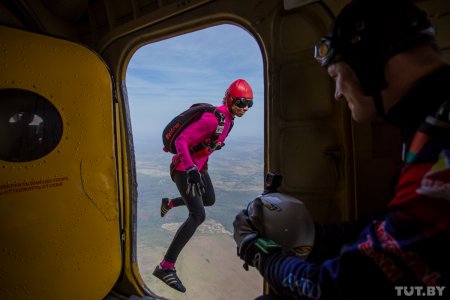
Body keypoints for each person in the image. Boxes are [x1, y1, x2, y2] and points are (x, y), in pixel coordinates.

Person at [233, 0, 450, 299]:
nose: (337, 94)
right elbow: (387, 228)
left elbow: (334, 289)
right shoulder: (432, 125)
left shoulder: (439, 149)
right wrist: (315, 238)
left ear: (368, 61)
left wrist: (257, 252)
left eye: (336, 76)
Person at [153, 78, 254, 292]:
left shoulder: (230, 120)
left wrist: (200, 168)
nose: (244, 108)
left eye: (248, 104)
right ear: (228, 99)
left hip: (198, 169)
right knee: (198, 215)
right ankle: (166, 266)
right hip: (183, 170)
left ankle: (170, 203)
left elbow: (205, 147)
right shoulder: (212, 119)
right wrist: (190, 169)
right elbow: (181, 141)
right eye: (240, 102)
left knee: (209, 199)